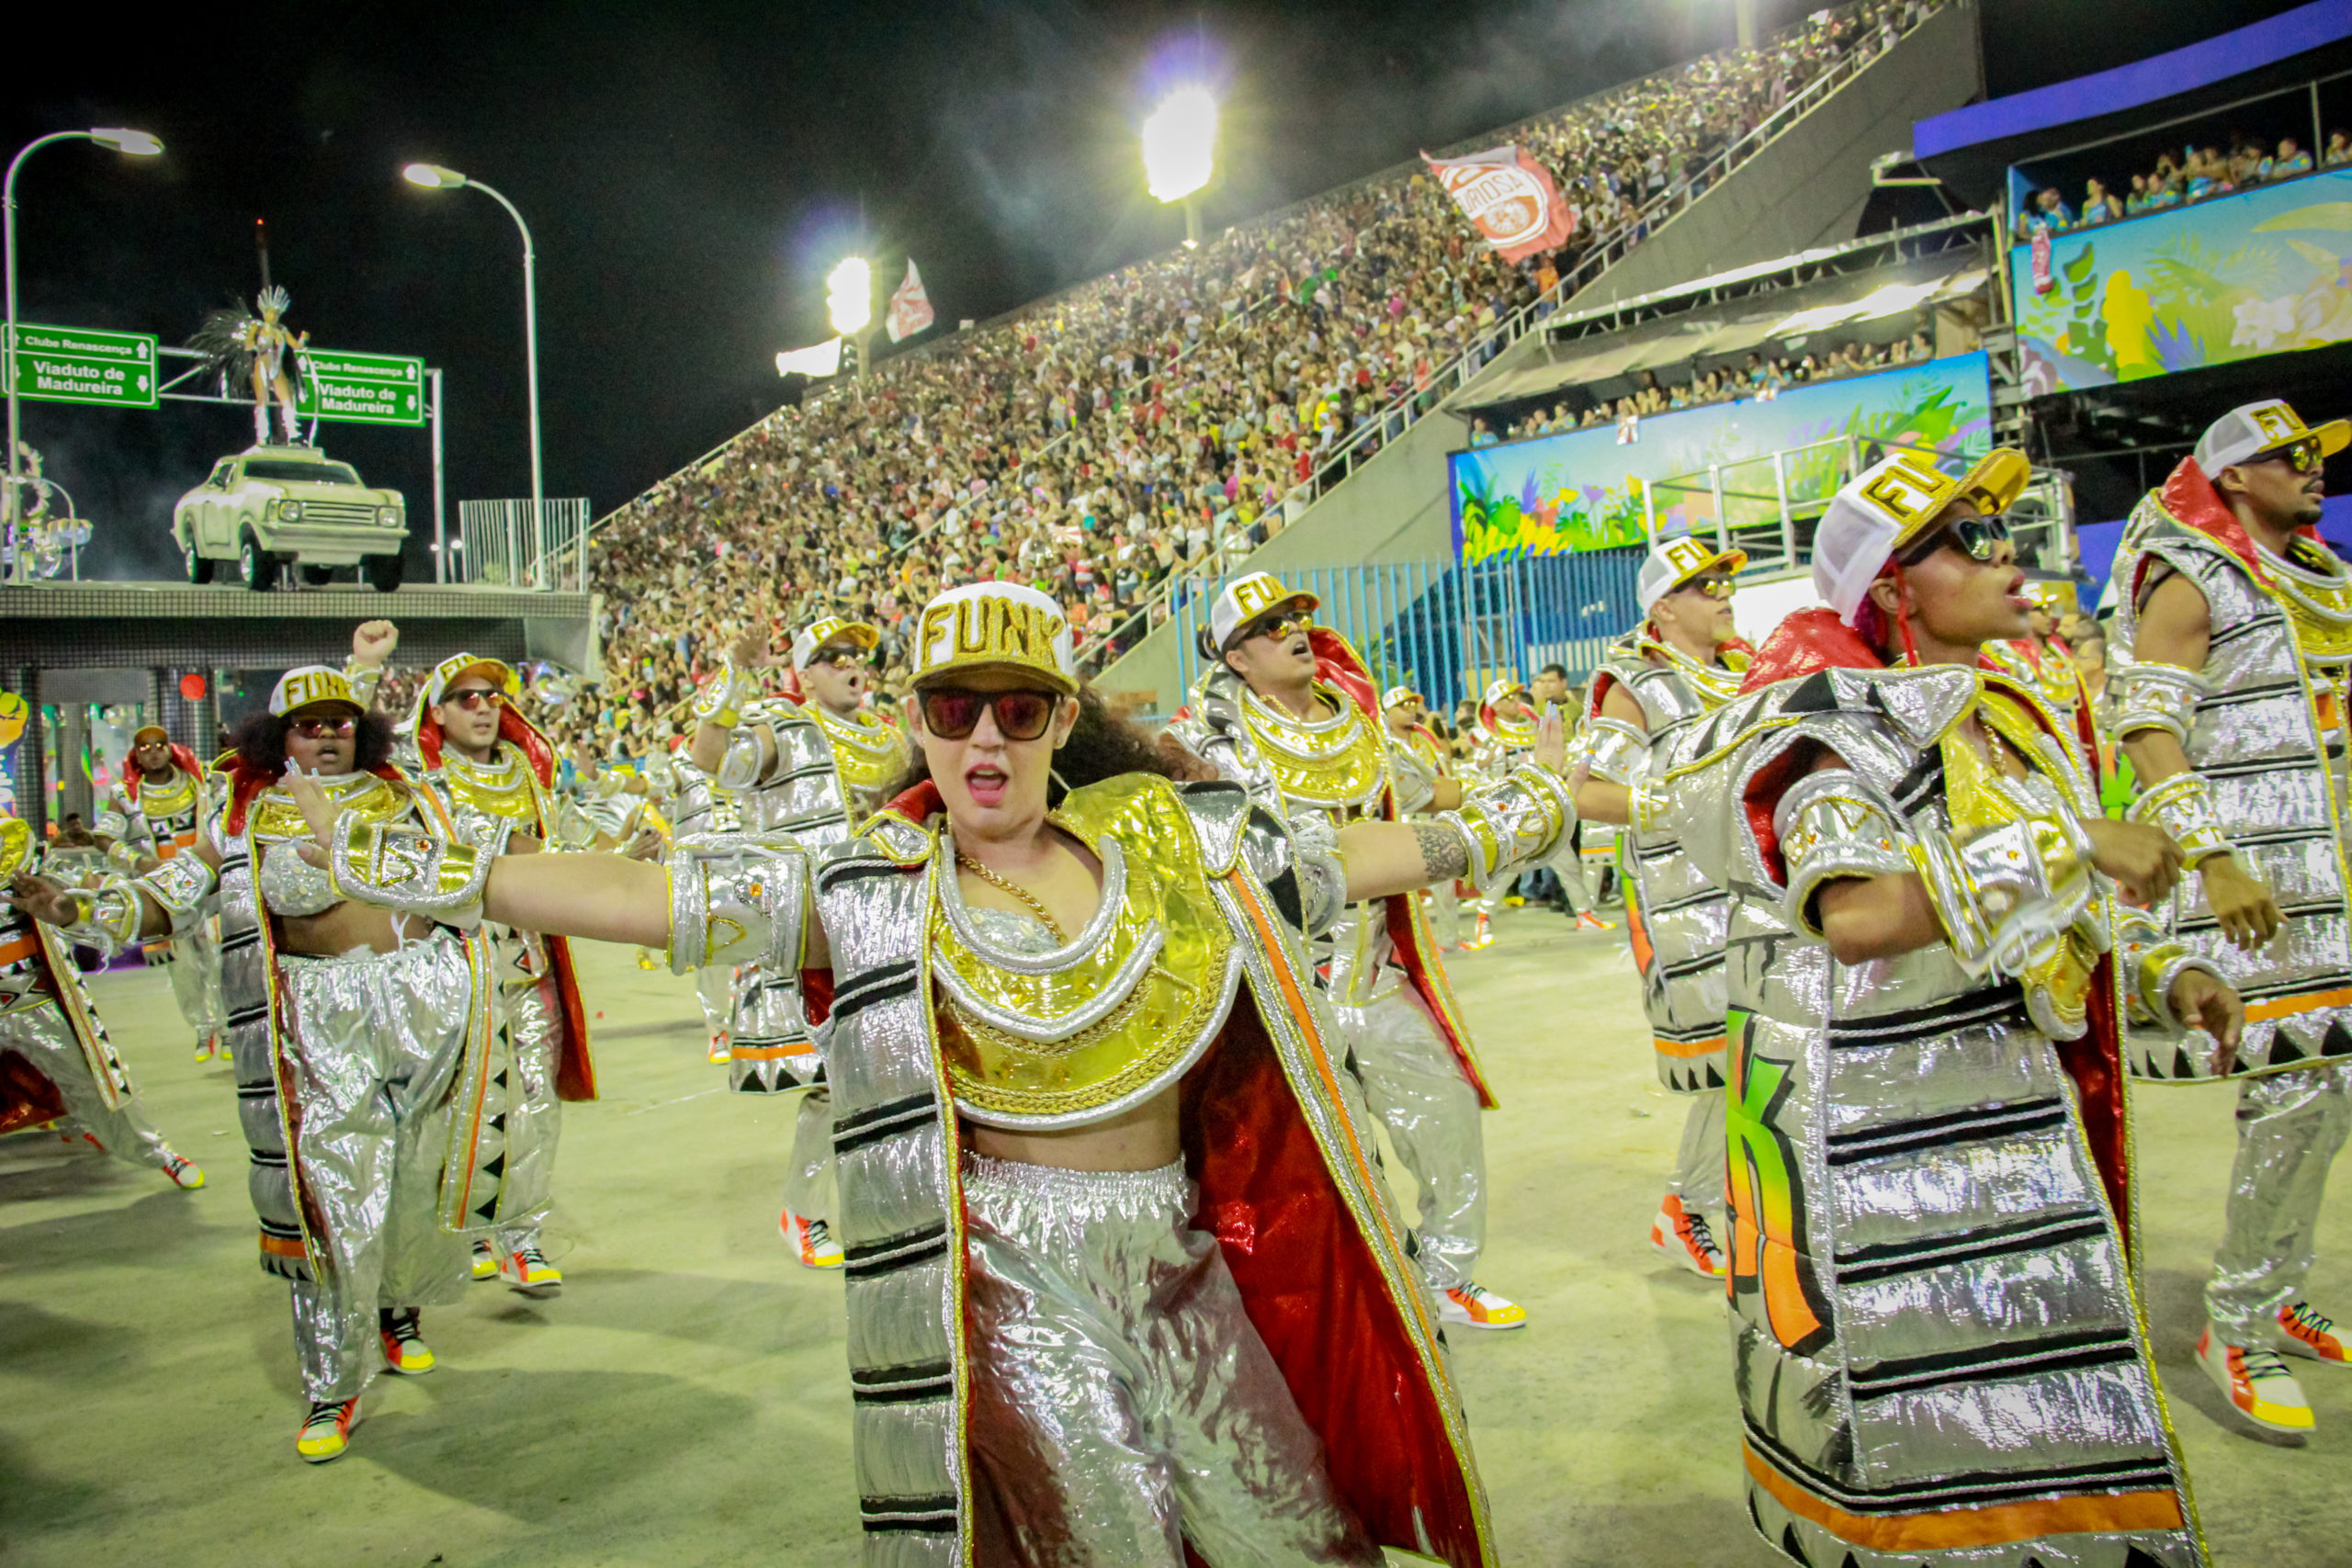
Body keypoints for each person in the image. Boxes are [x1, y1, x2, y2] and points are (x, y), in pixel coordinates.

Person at [287, 580, 1578, 1566]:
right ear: (916, 722)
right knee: (1109, 1536)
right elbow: (649, 890)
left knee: (1291, 1528)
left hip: (1187, 1254)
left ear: (1067, 719)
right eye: (954, 708)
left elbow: (1360, 859)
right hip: (1016, 1274)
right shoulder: (865, 888)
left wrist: (1553, 809)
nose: (987, 740)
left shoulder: (1178, 845)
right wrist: (454, 870)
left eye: (1020, 710)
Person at [1661, 446, 2234, 1567]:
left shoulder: (2003, 707)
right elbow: (1858, 915)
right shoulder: (1831, 722)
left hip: (2012, 1123)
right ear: (1890, 586)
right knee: (1943, 1459)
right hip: (1897, 1159)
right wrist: (2072, 845)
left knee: (2050, 1440)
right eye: (1968, 541)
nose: (2005, 556)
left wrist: (2165, 974)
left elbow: (2056, 908)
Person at [5, 626, 498, 1465]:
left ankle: (399, 1311)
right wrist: (80, 910)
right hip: (312, 1019)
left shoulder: (410, 793)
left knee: (417, 1179)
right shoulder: (239, 818)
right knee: (329, 1200)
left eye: (343, 719)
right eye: (310, 726)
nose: (330, 732)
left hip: (423, 1003)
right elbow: (169, 895)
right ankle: (333, 1383)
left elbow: (480, 867)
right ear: (278, 739)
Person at [1169, 574, 1531, 1330]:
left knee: (1446, 1115)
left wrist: (1528, 787)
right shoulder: (1206, 742)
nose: (1296, 630)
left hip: (1375, 973)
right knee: (1326, 1161)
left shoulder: (1358, 725)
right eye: (1271, 626)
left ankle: (1447, 1274)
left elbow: (1428, 796)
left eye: (1299, 615)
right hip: (1284, 990)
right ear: (1236, 657)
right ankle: (1373, 1296)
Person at [2109, 399, 2352, 1435]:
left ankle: (2270, 1282)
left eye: (2315, 455)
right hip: (2258, 883)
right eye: (2287, 458)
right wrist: (2210, 859)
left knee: (2327, 1090)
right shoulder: (2189, 574)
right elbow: (2146, 725)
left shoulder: (2314, 576)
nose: (2313, 471)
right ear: (2234, 477)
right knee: (2298, 1090)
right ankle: (2238, 1320)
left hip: (2330, 868)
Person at [687, 614, 910, 1269]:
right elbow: (710, 758)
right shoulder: (787, 729)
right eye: (834, 655)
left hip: (891, 924)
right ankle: (803, 1209)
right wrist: (735, 676)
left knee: (894, 1081)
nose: (851, 663)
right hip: (822, 939)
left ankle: (883, 1208)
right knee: (832, 1085)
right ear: (807, 674)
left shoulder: (892, 739)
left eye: (858, 654)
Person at [1573, 535, 1753, 1278]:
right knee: (1727, 1062)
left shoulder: (1745, 672)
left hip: (1756, 886)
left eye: (1723, 580)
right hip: (1690, 904)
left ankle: (1726, 1203)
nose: (1723, 593)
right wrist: (1678, 805)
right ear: (1665, 605)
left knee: (1762, 1053)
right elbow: (1585, 790)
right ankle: (1688, 1208)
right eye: (1703, 583)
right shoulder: (1636, 683)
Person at [407, 645, 600, 1295]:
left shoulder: (526, 773)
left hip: (527, 965)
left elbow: (569, 830)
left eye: (493, 696)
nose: (485, 708)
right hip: (458, 970)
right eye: (467, 698)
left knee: (538, 1106)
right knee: (464, 1106)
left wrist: (623, 844)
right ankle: (473, 1230)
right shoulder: (422, 788)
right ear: (439, 713)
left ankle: (522, 1234)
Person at [0, 817, 206, 1191]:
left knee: (94, 1083)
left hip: (32, 1001)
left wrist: (76, 898)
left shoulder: (14, 845)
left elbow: (74, 891)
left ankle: (156, 1154)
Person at [94, 724, 227, 1062]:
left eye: (160, 745)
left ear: (170, 749)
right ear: (136, 755)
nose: (153, 751)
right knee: (183, 968)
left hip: (208, 883)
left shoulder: (202, 781)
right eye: (145, 747)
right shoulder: (126, 794)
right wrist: (138, 862)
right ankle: (202, 1029)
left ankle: (226, 1029)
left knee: (221, 956)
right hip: (164, 891)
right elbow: (103, 836)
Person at [1384, 686, 1464, 948]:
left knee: (1444, 883)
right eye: (1402, 706)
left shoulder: (1424, 739)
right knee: (1398, 890)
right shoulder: (1381, 743)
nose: (1410, 711)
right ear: (1387, 712)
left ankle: (1448, 939)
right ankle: (1402, 947)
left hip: (1431, 817)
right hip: (1399, 821)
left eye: (1412, 705)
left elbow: (1441, 773)